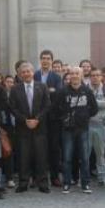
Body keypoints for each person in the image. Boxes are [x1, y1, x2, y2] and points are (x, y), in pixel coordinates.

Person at [9, 62, 52, 193]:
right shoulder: (15, 89)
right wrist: (25, 120)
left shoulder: (42, 86)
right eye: (23, 72)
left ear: (33, 72)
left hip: (40, 128)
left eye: (28, 71)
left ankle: (43, 183)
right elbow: (12, 107)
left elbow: (47, 105)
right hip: (23, 128)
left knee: (41, 156)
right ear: (20, 74)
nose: (26, 74)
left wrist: (37, 119)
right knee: (24, 156)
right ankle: (23, 182)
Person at [58, 67, 98, 193]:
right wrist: (64, 118)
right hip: (67, 130)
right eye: (72, 73)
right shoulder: (63, 91)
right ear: (69, 75)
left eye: (77, 73)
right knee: (67, 157)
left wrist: (84, 117)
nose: (74, 75)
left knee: (84, 158)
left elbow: (94, 108)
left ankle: (85, 184)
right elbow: (56, 108)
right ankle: (67, 183)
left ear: (81, 75)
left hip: (83, 129)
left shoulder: (87, 91)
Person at [35, 50, 63, 186]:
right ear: (40, 60)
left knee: (54, 148)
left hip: (53, 118)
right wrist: (49, 90)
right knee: (38, 148)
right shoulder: (34, 75)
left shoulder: (57, 78)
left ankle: (54, 176)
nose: (45, 61)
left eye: (48, 58)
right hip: (37, 117)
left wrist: (49, 91)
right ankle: (38, 177)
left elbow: (58, 95)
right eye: (43, 58)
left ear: (52, 61)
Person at [88, 68, 105, 187]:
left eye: (97, 75)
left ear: (101, 77)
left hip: (101, 125)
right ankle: (84, 178)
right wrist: (98, 102)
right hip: (87, 125)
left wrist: (92, 101)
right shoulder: (86, 88)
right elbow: (84, 104)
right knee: (85, 153)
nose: (95, 77)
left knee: (100, 153)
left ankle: (102, 178)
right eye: (93, 75)